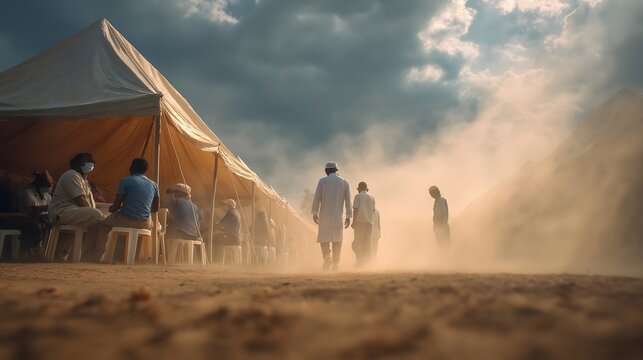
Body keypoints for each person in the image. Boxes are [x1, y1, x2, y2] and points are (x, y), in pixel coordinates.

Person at [85, 158, 159, 262]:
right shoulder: (154, 185)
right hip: (145, 223)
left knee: (103, 225)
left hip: (126, 219)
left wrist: (111, 209)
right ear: (145, 170)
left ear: (131, 168)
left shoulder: (125, 180)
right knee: (137, 230)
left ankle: (96, 256)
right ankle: (135, 258)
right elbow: (155, 208)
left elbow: (116, 205)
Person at [49, 153, 105, 261]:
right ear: (79, 163)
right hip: (62, 212)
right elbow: (80, 200)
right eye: (88, 161)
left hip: (72, 211)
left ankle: (73, 255)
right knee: (96, 216)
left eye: (93, 162)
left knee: (100, 219)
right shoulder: (71, 175)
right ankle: (88, 255)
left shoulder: (84, 180)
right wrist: (92, 213)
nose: (91, 164)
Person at [0, 171, 53, 261]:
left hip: (29, 218)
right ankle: (36, 253)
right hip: (21, 218)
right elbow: (32, 209)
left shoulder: (47, 196)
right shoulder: (27, 192)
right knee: (34, 225)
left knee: (46, 224)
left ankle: (28, 253)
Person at [311, 161, 351, 271]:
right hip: (338, 217)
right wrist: (348, 216)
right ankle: (336, 263)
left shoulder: (322, 181)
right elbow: (348, 201)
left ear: (326, 171)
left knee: (324, 239)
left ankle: (327, 257)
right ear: (336, 170)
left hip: (324, 217)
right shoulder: (344, 182)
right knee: (337, 240)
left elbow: (317, 198)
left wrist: (315, 213)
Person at [352, 181, 376, 266]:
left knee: (356, 243)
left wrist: (353, 222)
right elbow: (373, 210)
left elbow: (355, 210)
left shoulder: (357, 196)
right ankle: (367, 262)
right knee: (367, 243)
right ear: (367, 189)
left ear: (358, 189)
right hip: (369, 223)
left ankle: (360, 260)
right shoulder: (372, 197)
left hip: (359, 223)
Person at [429, 185, 450, 250]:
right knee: (441, 245)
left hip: (442, 227)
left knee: (445, 244)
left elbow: (445, 214)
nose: (431, 195)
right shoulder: (437, 201)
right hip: (439, 227)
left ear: (436, 192)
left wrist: (441, 225)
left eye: (431, 193)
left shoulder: (441, 201)